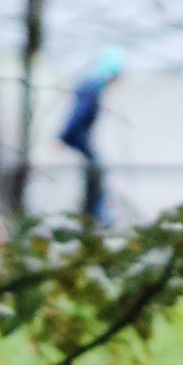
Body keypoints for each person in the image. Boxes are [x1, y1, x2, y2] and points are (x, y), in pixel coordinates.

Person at [57, 57, 116, 233]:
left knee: (96, 170)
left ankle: (92, 214)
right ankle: (93, 215)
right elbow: (78, 113)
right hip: (77, 139)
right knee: (95, 170)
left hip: (80, 139)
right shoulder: (93, 86)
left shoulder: (93, 84)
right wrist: (63, 136)